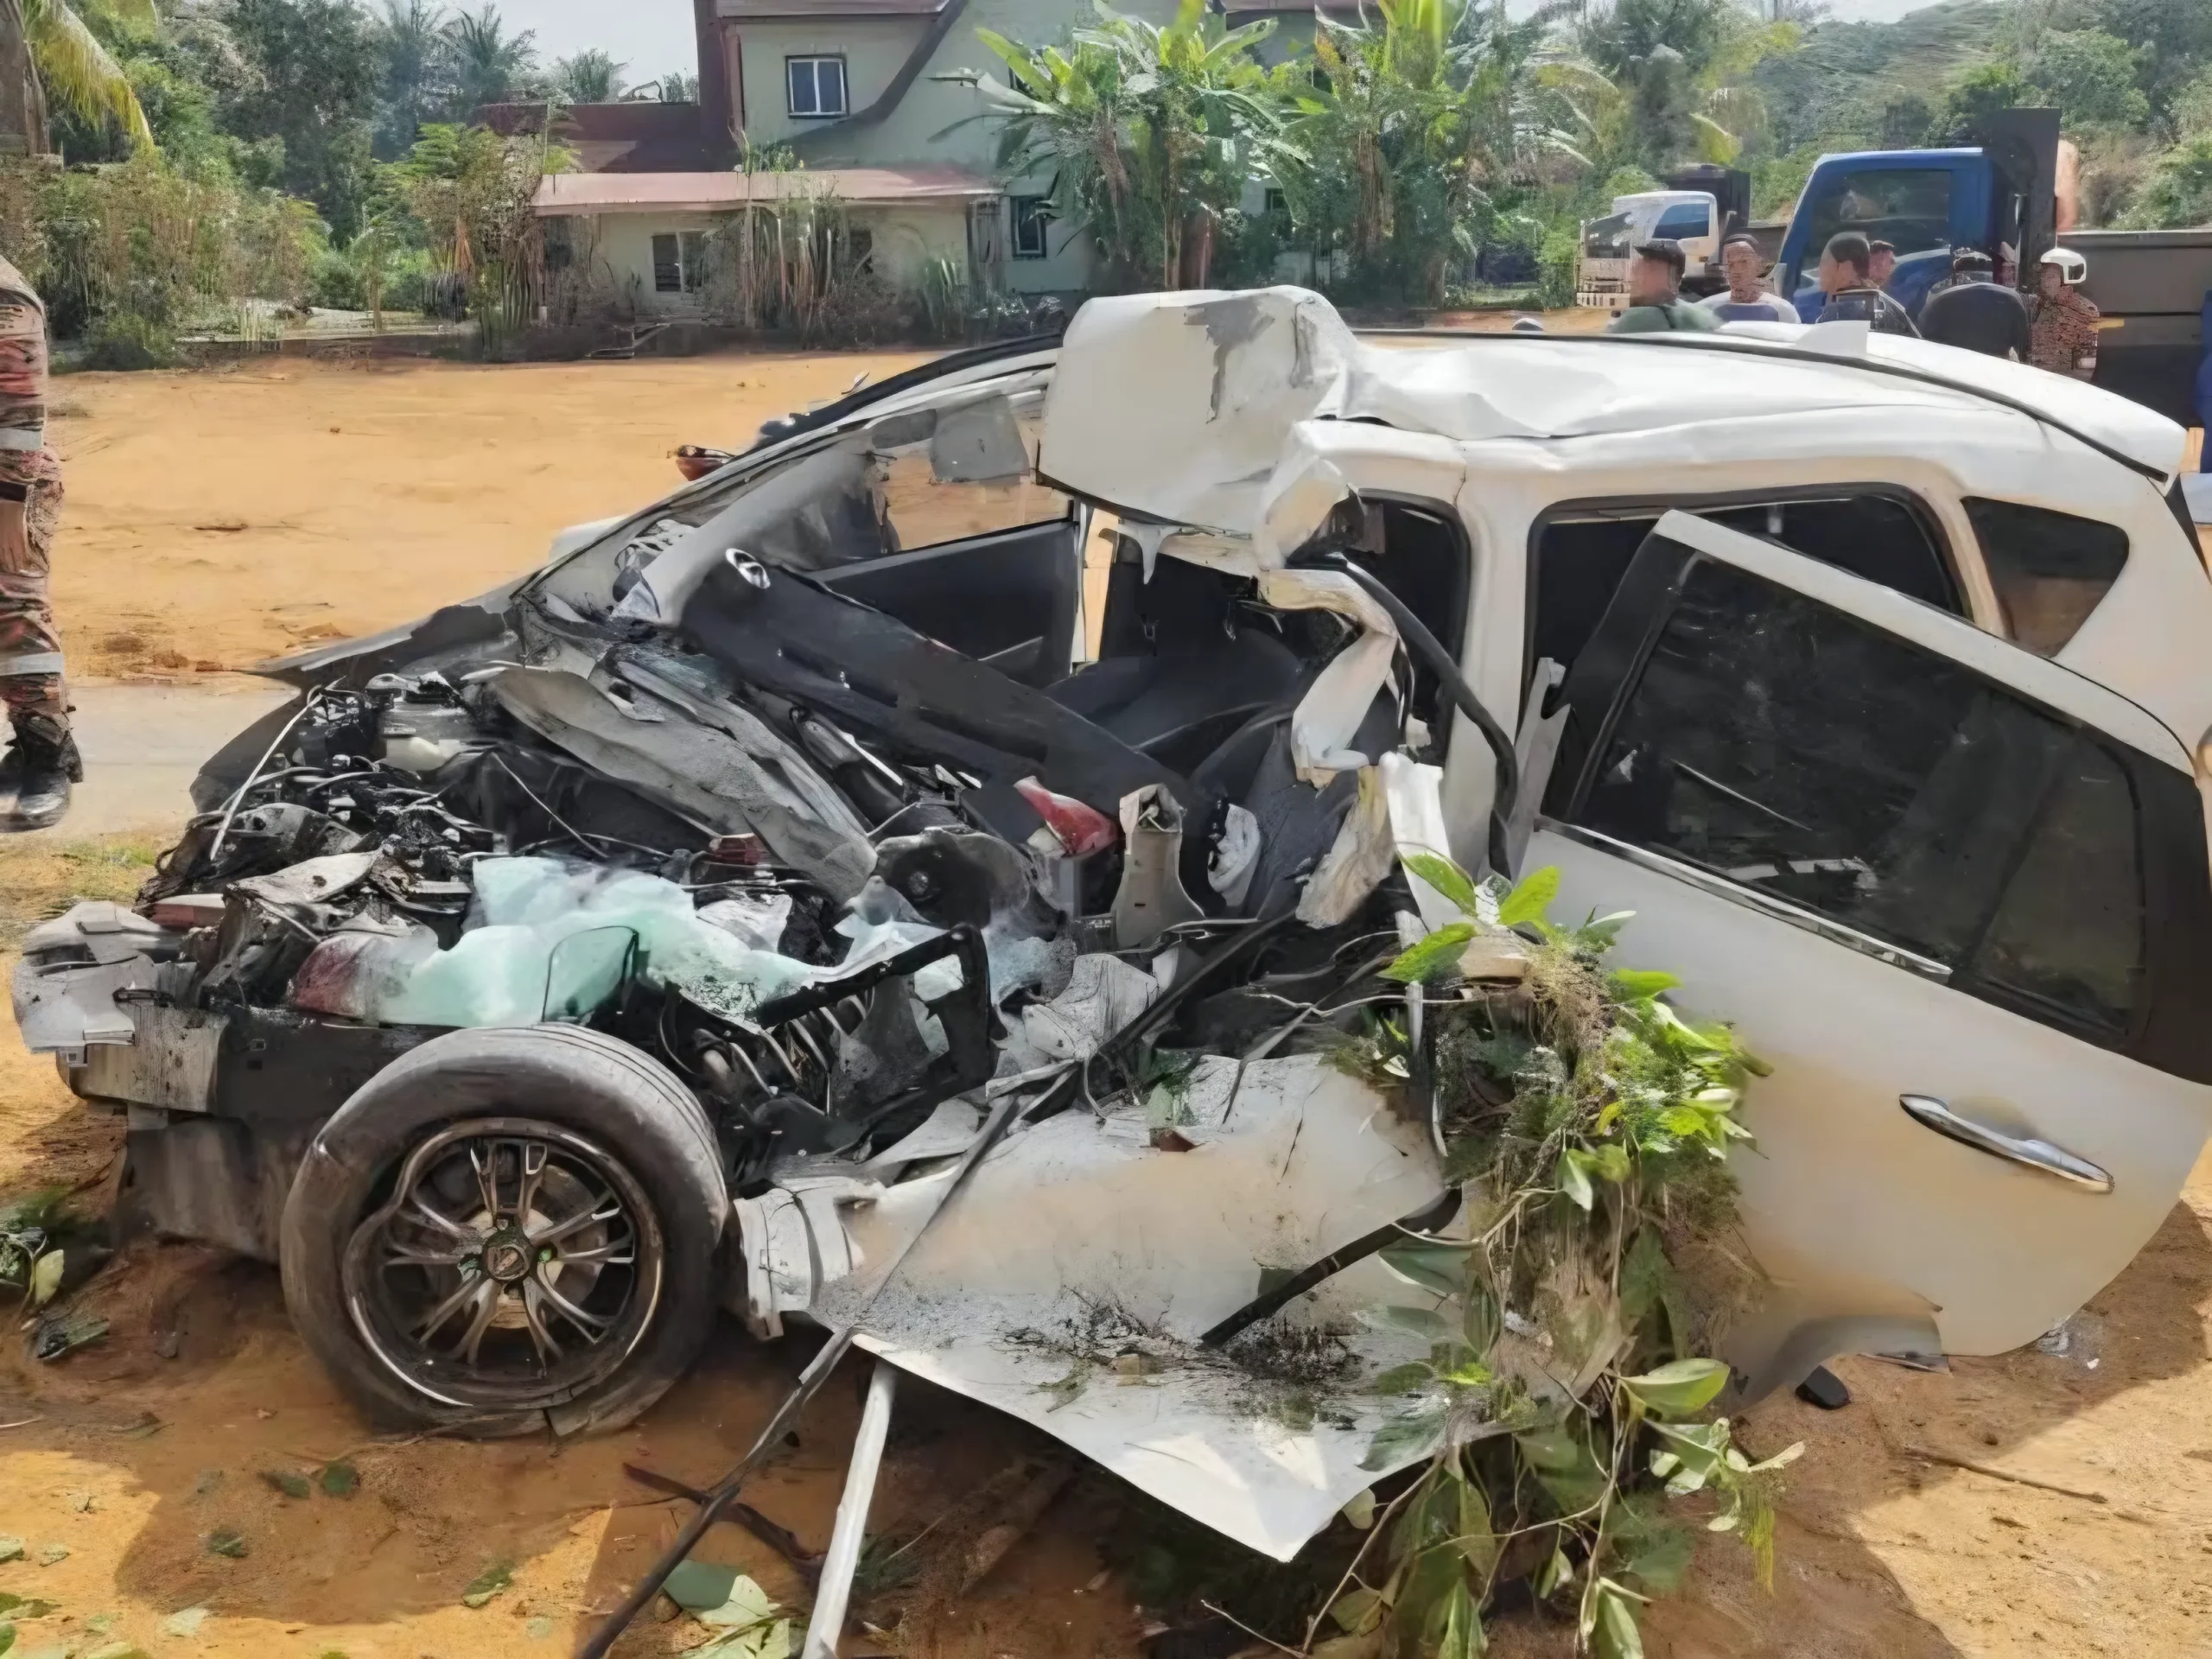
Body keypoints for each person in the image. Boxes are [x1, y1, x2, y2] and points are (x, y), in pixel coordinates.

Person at [0, 253, 73, 830]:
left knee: (15, 613)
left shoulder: (6, 297)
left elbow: (21, 410)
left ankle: (47, 755)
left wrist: (7, 505)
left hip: (9, 484)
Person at [1918, 249, 2031, 359]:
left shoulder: (1938, 302)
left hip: (1951, 363)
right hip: (1998, 365)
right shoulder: (2011, 300)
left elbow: (1924, 340)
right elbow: (2023, 347)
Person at [1814, 232, 1918, 337]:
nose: (1819, 270)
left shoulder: (1848, 308)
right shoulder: (1887, 306)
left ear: (1846, 268)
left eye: (1824, 263)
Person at [1607, 239, 1719, 334]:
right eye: (1641, 265)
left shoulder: (1639, 318)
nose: (1639, 274)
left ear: (1674, 281)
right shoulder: (1702, 314)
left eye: (1651, 269)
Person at [2028, 247, 2101, 381]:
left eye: (2051, 277)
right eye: (2043, 276)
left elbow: (2086, 365)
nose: (2045, 282)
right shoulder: (2038, 305)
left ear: (2065, 279)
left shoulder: (2086, 310)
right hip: (2034, 379)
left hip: (2064, 383)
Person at [1700, 235, 1799, 323]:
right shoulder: (1706, 309)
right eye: (1730, 264)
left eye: (1744, 263)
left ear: (1759, 266)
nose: (1736, 271)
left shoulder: (1782, 310)